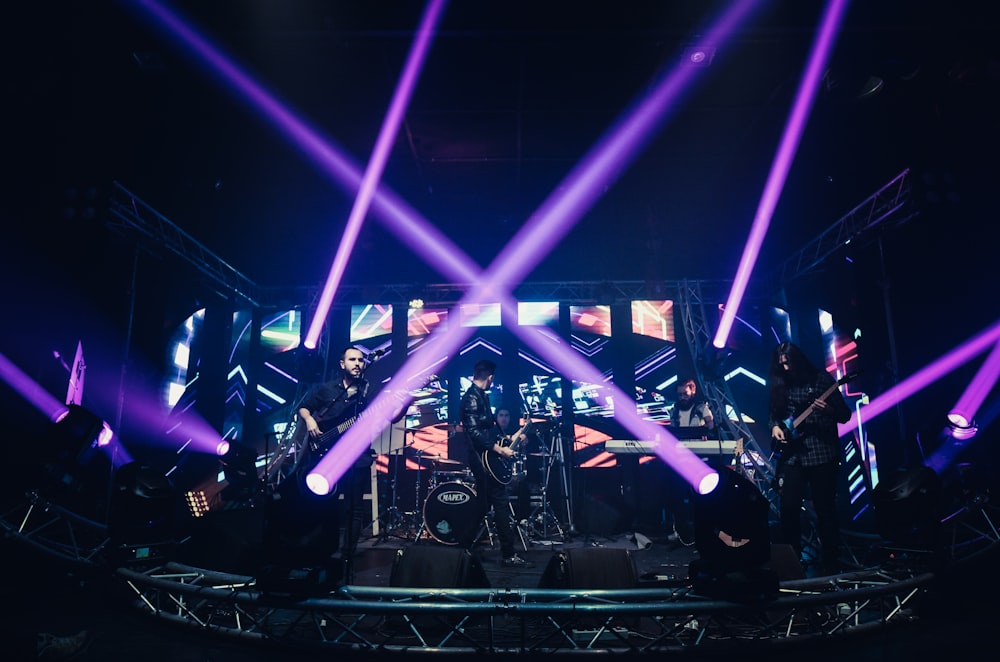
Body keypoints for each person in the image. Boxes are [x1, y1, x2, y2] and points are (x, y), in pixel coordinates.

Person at [276, 346, 374, 577]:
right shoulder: (328, 389)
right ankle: (319, 549)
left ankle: (347, 555)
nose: (357, 363)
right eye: (352, 359)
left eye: (360, 360)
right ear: (343, 364)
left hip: (357, 455)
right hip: (325, 452)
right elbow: (304, 407)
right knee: (321, 502)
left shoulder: (369, 391)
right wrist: (310, 420)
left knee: (354, 508)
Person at [768, 341, 852, 573]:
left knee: (825, 508)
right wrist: (775, 427)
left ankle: (831, 563)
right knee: (789, 507)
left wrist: (829, 410)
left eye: (788, 363)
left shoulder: (821, 380)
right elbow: (775, 414)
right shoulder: (780, 384)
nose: (785, 369)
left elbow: (845, 415)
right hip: (793, 457)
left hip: (821, 453)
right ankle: (792, 564)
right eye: (781, 365)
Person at [459, 360, 532, 567]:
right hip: (481, 460)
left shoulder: (480, 396)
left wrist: (509, 438)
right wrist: (500, 449)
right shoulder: (472, 398)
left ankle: (464, 546)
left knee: (482, 505)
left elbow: (488, 430)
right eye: (493, 379)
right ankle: (508, 554)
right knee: (500, 502)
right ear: (490, 377)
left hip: (485, 457)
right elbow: (473, 432)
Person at [664, 377, 715, 544]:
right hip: (681, 458)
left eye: (685, 394)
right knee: (676, 495)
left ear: (692, 392)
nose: (682, 398)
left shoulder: (701, 409)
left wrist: (706, 431)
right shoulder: (674, 410)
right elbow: (672, 432)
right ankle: (681, 532)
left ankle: (704, 533)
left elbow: (711, 428)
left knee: (700, 496)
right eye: (679, 395)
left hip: (700, 458)